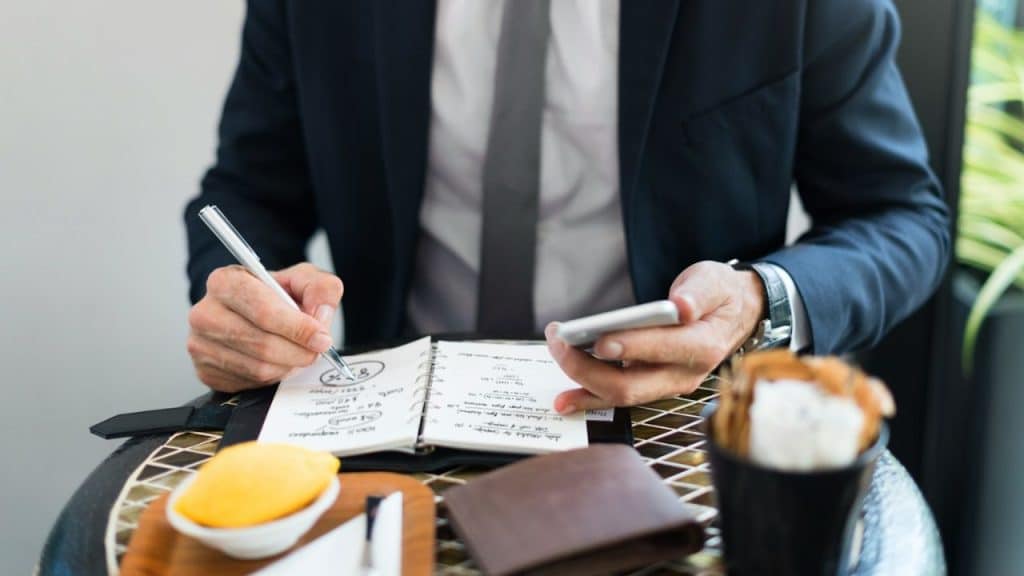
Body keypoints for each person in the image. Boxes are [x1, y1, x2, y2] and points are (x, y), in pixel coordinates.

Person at [184, 1, 949, 414]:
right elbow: (246, 193)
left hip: (672, 417)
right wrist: (241, 300)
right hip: (391, 415)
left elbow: (902, 217)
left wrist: (756, 302)